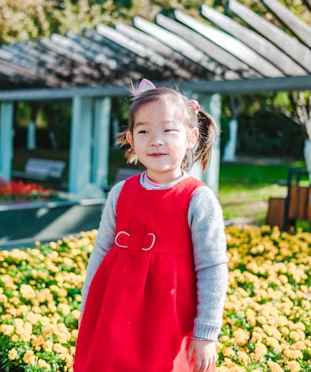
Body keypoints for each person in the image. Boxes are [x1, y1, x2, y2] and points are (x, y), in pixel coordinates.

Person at [74, 79, 228, 372]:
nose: (156, 140)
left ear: (192, 137)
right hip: (113, 314)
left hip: (167, 321)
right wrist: (88, 308)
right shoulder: (121, 192)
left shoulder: (198, 199)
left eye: (169, 130)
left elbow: (212, 267)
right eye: (144, 131)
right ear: (131, 140)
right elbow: (102, 250)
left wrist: (206, 333)